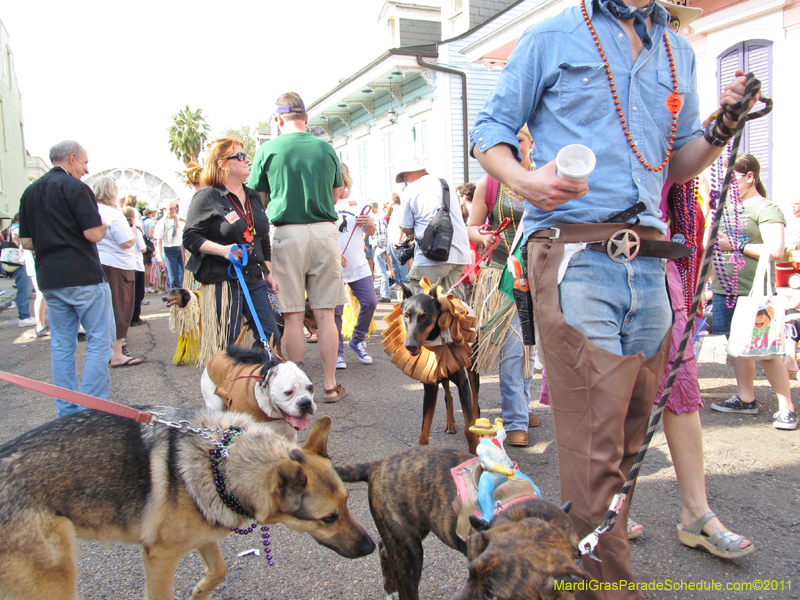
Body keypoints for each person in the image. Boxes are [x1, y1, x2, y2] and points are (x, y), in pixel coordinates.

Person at [470, 0, 758, 591]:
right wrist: (526, 182)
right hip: (574, 252)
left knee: (625, 448)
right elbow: (488, 132)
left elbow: (677, 166)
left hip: (648, 261)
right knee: (595, 447)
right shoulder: (551, 33)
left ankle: (576, 576)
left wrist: (724, 125)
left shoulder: (677, 52)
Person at [248, 91, 346, 403]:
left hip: (286, 232)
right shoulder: (325, 148)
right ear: (305, 117)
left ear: (279, 119)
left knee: (291, 315)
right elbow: (337, 192)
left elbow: (256, 200)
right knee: (326, 313)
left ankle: (296, 386)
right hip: (323, 230)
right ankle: (330, 386)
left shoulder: (268, 149)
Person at [18, 140, 115, 417]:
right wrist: (104, 226)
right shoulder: (76, 188)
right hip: (83, 275)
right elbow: (93, 234)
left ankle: (67, 410)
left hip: (50, 276)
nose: (86, 170)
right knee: (99, 339)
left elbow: (25, 241)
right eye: (84, 163)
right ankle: (91, 408)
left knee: (61, 342)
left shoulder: (30, 192)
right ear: (72, 159)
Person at [710, 154, 797, 430]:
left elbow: (776, 251)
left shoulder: (765, 208)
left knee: (766, 350)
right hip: (726, 289)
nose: (728, 185)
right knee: (737, 346)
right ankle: (747, 398)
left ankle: (787, 407)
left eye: (732, 178)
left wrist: (734, 245)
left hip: (754, 292)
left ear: (751, 177)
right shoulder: (728, 208)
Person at [468, 126, 538, 447]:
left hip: (541, 275)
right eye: (505, 142)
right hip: (502, 275)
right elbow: (471, 227)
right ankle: (515, 420)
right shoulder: (490, 183)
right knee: (513, 349)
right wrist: (483, 236)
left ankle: (522, 404)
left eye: (519, 140)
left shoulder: (546, 177)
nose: (512, 146)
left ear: (531, 143)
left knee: (530, 349)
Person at [183, 137, 280, 363]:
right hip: (222, 279)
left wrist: (268, 272)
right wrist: (223, 250)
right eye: (240, 156)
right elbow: (190, 237)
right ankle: (224, 387)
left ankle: (249, 379)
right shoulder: (207, 196)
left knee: (270, 333)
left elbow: (261, 237)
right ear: (222, 163)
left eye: (246, 155)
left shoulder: (253, 195)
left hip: (254, 276)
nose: (248, 159)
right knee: (227, 340)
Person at [396, 159, 471, 297]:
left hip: (432, 255)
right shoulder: (445, 184)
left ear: (407, 176)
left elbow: (406, 228)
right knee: (449, 305)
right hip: (459, 252)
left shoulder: (411, 189)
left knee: (420, 305)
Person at [92, 176, 144, 367]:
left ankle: (106, 351)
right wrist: (133, 233)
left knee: (103, 308)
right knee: (120, 306)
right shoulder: (113, 213)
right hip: (118, 265)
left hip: (98, 262)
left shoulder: (91, 209)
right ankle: (117, 353)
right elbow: (126, 241)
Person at [334, 165, 378, 369]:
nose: (337, 187)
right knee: (335, 311)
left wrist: (369, 223)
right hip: (334, 266)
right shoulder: (325, 199)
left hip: (359, 264)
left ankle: (357, 340)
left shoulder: (358, 199)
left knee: (370, 301)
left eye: (339, 183)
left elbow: (370, 230)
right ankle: (336, 352)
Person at [468, 417, 541, 526]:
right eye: (488, 434)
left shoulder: (497, 439)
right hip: (492, 474)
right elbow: (489, 463)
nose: (491, 435)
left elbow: (502, 432)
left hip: (509, 469)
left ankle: (543, 504)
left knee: (531, 484)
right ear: (480, 435)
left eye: (492, 433)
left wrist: (498, 423)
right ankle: (486, 518)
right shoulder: (482, 448)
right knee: (483, 494)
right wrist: (504, 470)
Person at [8, 214, 35, 328]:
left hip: (19, 261)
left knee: (24, 288)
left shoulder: (12, 227)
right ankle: (24, 316)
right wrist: (22, 246)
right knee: (24, 289)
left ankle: (24, 316)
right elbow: (15, 237)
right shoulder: (16, 228)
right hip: (21, 261)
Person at [123, 206, 148, 327]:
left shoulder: (120, 229)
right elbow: (143, 248)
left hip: (125, 265)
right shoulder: (135, 231)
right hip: (137, 265)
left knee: (127, 295)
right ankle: (135, 317)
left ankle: (127, 318)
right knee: (137, 294)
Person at [154, 200, 184, 289]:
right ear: (164, 209)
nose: (173, 210)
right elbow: (158, 241)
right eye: (171, 209)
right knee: (173, 277)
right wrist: (159, 257)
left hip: (181, 248)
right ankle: (174, 297)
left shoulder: (179, 219)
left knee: (184, 274)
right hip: (169, 250)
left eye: (175, 208)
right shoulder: (161, 222)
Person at [370, 201, 391, 302]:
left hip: (379, 248)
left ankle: (385, 295)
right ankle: (385, 294)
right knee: (381, 273)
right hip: (380, 248)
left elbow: (382, 236)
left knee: (381, 273)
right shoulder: (379, 218)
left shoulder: (378, 219)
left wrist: (375, 244)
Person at [386, 193, 409, 286]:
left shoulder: (399, 210)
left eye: (389, 199)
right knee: (394, 263)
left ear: (394, 200)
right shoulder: (394, 210)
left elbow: (401, 226)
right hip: (392, 240)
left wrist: (399, 241)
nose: (388, 202)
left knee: (400, 262)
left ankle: (404, 282)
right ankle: (397, 281)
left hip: (397, 241)